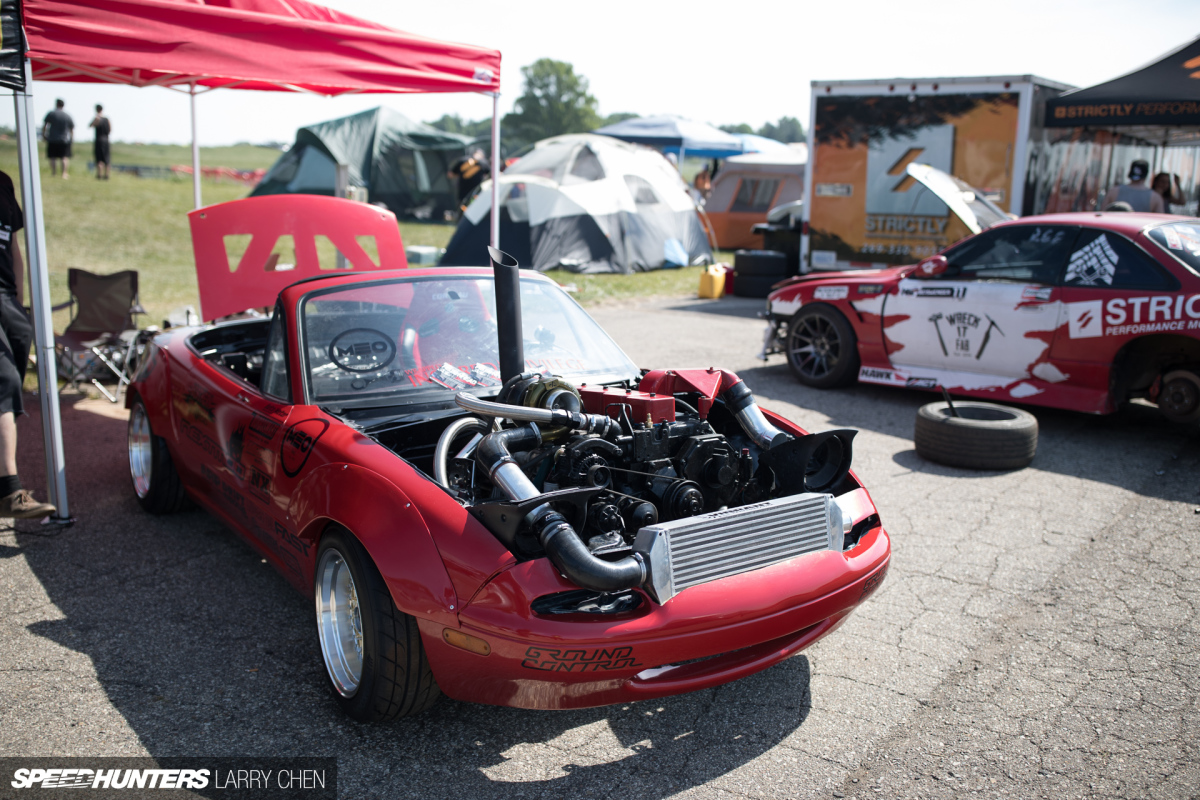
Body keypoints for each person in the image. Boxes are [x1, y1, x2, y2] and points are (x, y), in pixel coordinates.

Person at [0, 170, 56, 519]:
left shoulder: (4, 183)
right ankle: (9, 490)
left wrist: (19, 303)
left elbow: (14, 248)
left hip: (7, 298)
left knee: (10, 387)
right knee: (4, 381)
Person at [41, 99, 74, 179]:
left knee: (52, 157)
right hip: (64, 139)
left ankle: (54, 173)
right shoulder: (67, 115)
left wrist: (44, 135)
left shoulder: (51, 114)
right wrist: (71, 138)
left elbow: (45, 125)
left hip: (52, 138)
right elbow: (71, 129)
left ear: (56, 104)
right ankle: (64, 174)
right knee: (64, 157)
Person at [89, 104, 111, 180]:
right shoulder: (107, 119)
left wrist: (96, 119)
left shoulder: (97, 118)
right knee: (107, 159)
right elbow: (110, 130)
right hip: (106, 140)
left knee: (99, 159)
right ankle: (107, 175)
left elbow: (90, 126)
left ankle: (99, 175)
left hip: (99, 140)